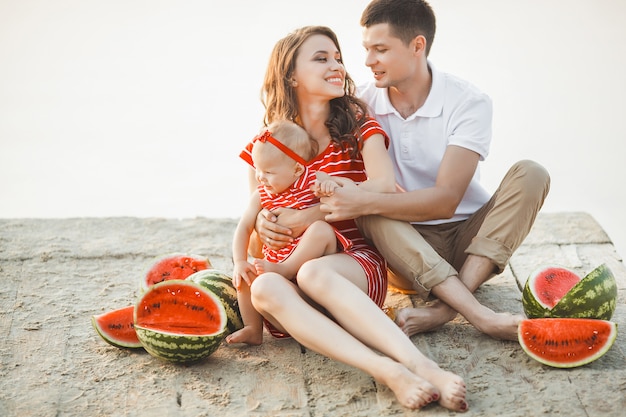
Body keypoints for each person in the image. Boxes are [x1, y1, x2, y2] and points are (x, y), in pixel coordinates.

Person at [241, 25, 469, 412]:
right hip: (287, 275)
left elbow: (382, 185)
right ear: (291, 75)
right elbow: (257, 206)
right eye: (320, 58)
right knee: (264, 289)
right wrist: (263, 224)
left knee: (315, 273)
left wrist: (310, 214)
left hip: (351, 264)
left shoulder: (358, 121)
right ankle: (388, 371)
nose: (336, 65)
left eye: (337, 57)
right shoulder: (268, 141)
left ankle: (423, 367)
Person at [315, 0, 549, 340]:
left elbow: (446, 201)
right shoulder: (359, 104)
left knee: (532, 172)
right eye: (366, 49)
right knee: (370, 208)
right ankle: (478, 313)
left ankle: (447, 308)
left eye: (380, 49)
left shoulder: (467, 101)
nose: (368, 61)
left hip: (469, 243)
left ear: (417, 46)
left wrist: (361, 202)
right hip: (402, 247)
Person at [228, 119, 348, 345]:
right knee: (245, 273)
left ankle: (285, 269)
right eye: (258, 171)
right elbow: (243, 227)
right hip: (278, 276)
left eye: (269, 172)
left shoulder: (313, 179)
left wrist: (331, 187)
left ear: (296, 169)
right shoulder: (262, 195)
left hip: (313, 265)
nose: (261, 178)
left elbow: (343, 189)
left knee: (321, 229)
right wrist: (239, 261)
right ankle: (253, 329)